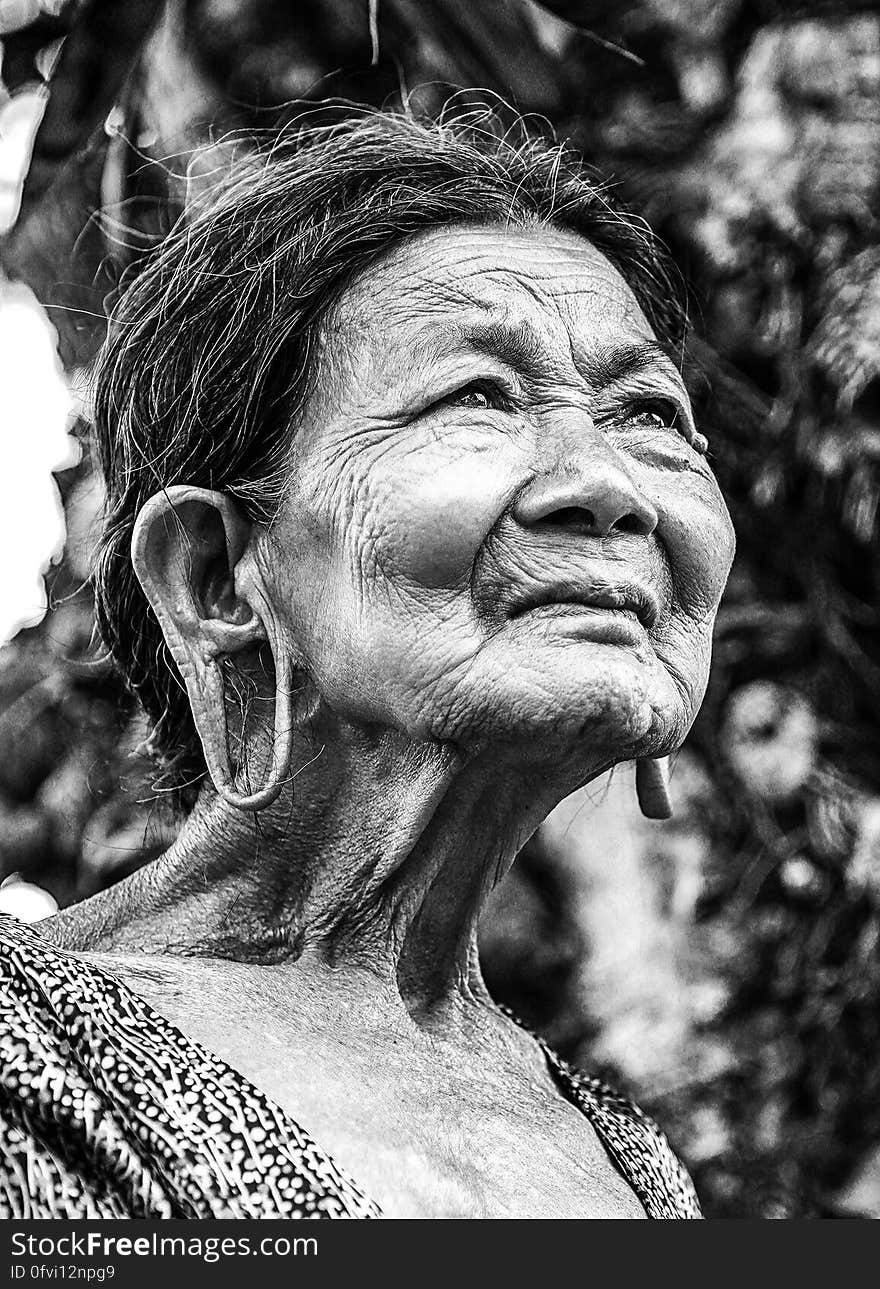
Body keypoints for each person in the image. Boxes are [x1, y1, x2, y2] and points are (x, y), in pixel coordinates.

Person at [0, 109, 734, 1219]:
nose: (612, 484)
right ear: (213, 577)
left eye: (648, 412)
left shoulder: (628, 1158)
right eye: (476, 396)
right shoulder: (29, 1048)